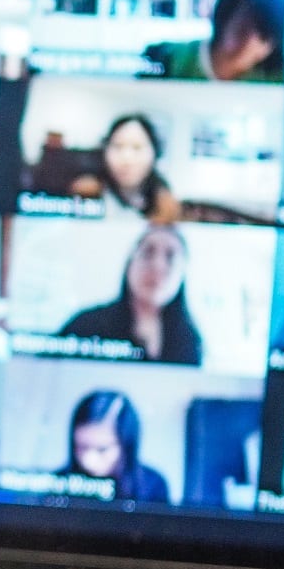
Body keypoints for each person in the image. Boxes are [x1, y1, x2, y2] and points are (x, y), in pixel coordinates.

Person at [57, 225, 204, 365]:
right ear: (130, 263)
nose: (157, 266)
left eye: (170, 257)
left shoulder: (190, 341)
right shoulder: (85, 325)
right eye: (148, 253)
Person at [144, 0, 284, 82]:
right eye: (243, 26)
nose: (248, 40)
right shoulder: (168, 59)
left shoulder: (275, 82)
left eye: (262, 35)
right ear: (225, 15)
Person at [58, 390, 170, 504]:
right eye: (81, 447)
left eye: (102, 449)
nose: (88, 461)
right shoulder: (57, 482)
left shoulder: (153, 484)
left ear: (126, 446)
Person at [68, 114, 181, 221]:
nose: (127, 158)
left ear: (155, 153)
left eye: (137, 147)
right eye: (118, 146)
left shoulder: (164, 202)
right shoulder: (87, 190)